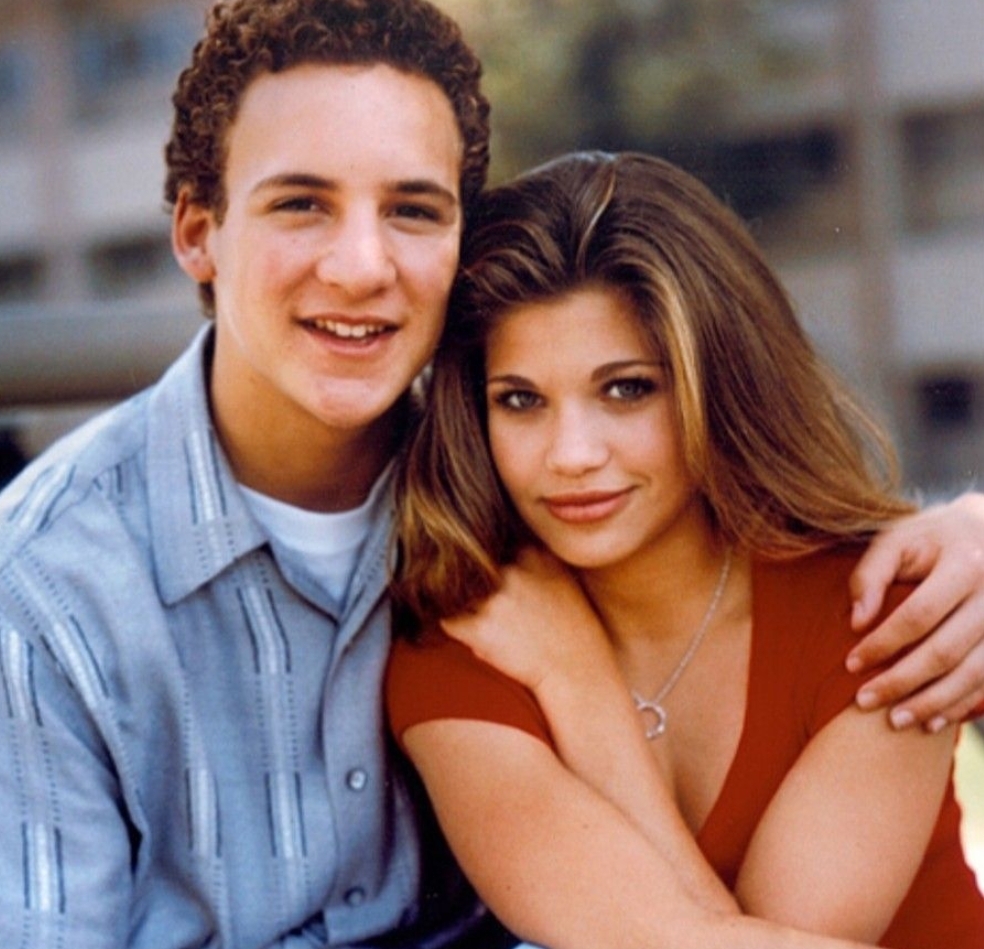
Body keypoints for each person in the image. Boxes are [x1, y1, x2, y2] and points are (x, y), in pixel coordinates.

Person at [0, 0, 983, 944]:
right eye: (300, 203)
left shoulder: (513, 533)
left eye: (412, 209)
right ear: (198, 229)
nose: (363, 265)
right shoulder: (54, 583)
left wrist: (971, 526)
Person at [386, 151, 984, 949]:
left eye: (627, 388)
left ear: (718, 380)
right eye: (521, 400)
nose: (571, 454)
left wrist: (579, 686)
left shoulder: (881, 614)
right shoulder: (466, 645)